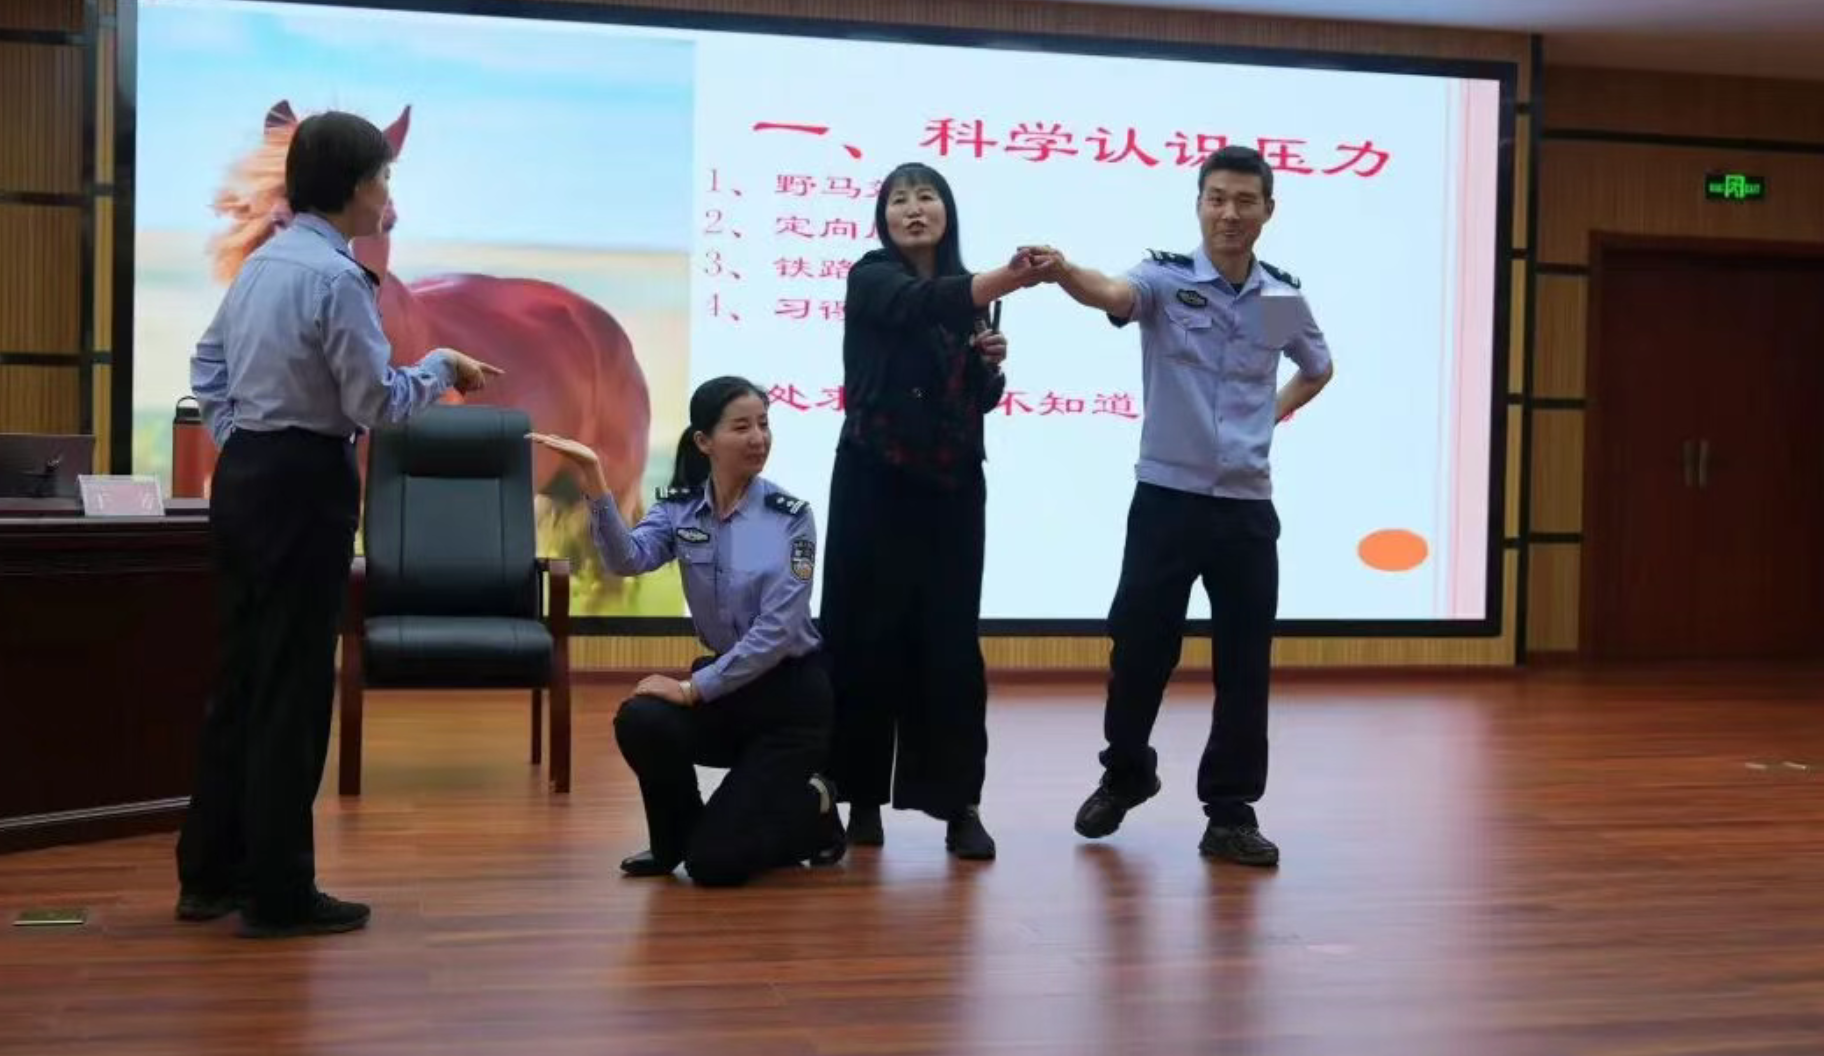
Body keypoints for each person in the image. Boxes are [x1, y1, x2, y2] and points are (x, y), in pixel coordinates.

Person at [174, 110, 501, 937]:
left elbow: (207, 366)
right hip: (305, 483)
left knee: (243, 677)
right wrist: (441, 366)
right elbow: (375, 402)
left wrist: (240, 434)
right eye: (384, 177)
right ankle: (279, 893)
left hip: (247, 478)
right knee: (294, 689)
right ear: (356, 187)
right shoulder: (338, 279)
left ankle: (209, 875)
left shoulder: (263, 265)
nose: (389, 194)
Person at [1018, 145, 1334, 866]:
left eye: (1245, 200)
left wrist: (1267, 417)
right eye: (1216, 198)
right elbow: (1112, 293)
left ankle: (1231, 812)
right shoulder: (1165, 280)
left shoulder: (1278, 298)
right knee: (1139, 648)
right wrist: (1063, 271)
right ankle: (1126, 772)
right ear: (1199, 205)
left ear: (1267, 211)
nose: (1230, 213)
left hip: (1246, 508)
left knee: (1244, 664)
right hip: (1166, 499)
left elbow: (1317, 368)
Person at [531, 376, 847, 887]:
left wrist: (692, 689)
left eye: (764, 425)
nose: (758, 438)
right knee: (641, 720)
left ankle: (813, 804)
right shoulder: (680, 509)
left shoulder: (790, 518)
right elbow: (626, 560)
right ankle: (673, 840)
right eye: (741, 427)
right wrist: (594, 481)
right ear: (704, 441)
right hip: (731, 692)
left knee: (715, 865)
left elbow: (777, 631)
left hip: (789, 703)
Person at [819, 161, 1041, 861]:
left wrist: (988, 370)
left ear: (947, 212)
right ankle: (858, 800)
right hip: (874, 482)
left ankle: (959, 805)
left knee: (949, 648)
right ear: (883, 217)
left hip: (951, 491)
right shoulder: (872, 276)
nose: (914, 209)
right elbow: (919, 306)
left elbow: (972, 396)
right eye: (900, 200)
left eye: (927, 197)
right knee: (864, 638)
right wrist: (1009, 278)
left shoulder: (969, 296)